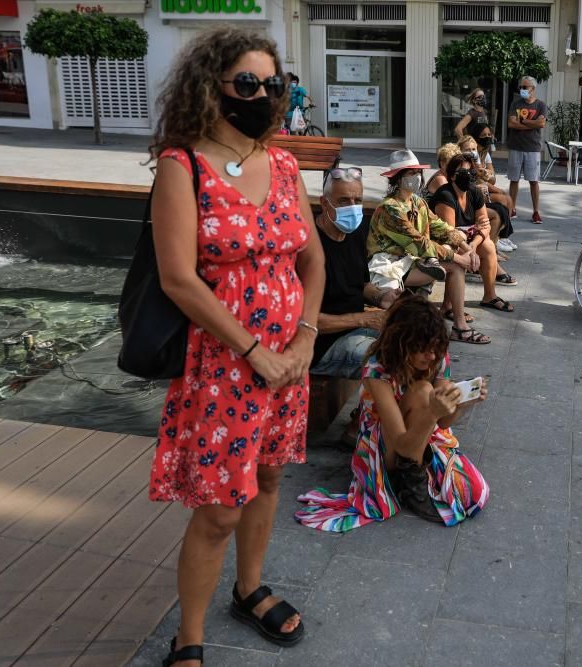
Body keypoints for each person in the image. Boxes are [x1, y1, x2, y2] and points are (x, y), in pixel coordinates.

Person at [146, 27, 325, 667]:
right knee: (220, 507)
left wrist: (304, 335)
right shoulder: (182, 165)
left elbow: (312, 257)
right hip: (226, 364)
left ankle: (249, 589)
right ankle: (187, 637)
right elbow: (178, 278)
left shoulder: (281, 163)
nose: (261, 95)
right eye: (246, 83)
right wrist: (254, 350)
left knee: (271, 475)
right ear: (211, 87)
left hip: (288, 359)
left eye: (271, 85)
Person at [295, 295, 489, 529]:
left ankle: (414, 477)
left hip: (417, 434)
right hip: (384, 446)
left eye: (436, 348)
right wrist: (431, 414)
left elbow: (445, 422)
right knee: (422, 391)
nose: (431, 356)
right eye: (422, 349)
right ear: (401, 344)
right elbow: (402, 445)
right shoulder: (378, 369)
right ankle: (411, 485)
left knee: (442, 389)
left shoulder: (435, 355)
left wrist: (461, 404)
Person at [367, 149, 491, 345]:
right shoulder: (390, 208)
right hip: (390, 265)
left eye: (418, 173)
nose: (416, 177)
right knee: (455, 262)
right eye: (410, 173)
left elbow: (440, 227)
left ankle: (459, 326)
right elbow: (418, 242)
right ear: (397, 178)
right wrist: (458, 257)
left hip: (411, 261)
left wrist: (468, 249)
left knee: (457, 245)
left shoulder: (417, 202)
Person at [311, 167, 398, 381]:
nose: (353, 207)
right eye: (343, 201)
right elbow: (305, 322)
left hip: (357, 331)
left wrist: (382, 296)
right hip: (322, 346)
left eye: (357, 200)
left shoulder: (354, 232)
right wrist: (364, 319)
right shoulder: (308, 245)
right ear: (324, 203)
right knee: (395, 360)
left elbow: (359, 284)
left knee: (423, 341)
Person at [432, 153, 516, 311]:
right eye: (462, 173)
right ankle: (448, 306)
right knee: (459, 254)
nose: (468, 176)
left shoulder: (474, 192)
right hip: (443, 241)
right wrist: (469, 249)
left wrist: (473, 246)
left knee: (489, 246)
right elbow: (450, 234)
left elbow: (485, 225)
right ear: (452, 176)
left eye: (471, 172)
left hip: (466, 239)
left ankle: (489, 296)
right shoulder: (446, 195)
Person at [507, 75, 548, 224]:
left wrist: (522, 121)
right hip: (516, 146)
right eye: (521, 87)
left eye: (525, 87)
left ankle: (536, 212)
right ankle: (512, 208)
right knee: (514, 180)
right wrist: (532, 123)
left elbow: (542, 123)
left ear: (533, 89)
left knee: (533, 181)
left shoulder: (541, 105)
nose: (522, 90)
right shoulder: (515, 104)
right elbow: (511, 124)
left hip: (532, 148)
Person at [469, 121, 516, 251]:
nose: (488, 137)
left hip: (482, 188)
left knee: (507, 198)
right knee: (502, 199)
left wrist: (488, 176)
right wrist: (488, 178)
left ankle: (502, 237)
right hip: (474, 192)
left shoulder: (485, 154)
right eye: (484, 135)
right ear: (476, 137)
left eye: (489, 134)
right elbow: (479, 179)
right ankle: (498, 238)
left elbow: (492, 179)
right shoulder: (472, 154)